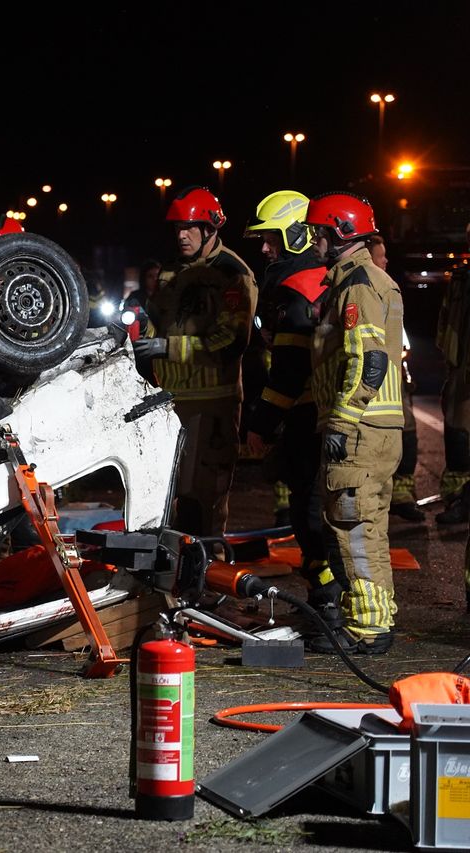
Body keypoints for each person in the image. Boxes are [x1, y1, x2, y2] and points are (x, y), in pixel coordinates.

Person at [305, 192, 404, 654]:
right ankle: (374, 621)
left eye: (320, 231)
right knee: (368, 528)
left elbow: (370, 360)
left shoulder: (358, 284)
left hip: (361, 430)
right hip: (377, 430)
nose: (314, 240)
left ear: (340, 231)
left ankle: (367, 629)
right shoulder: (357, 280)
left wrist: (341, 424)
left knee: (353, 528)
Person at [134, 186, 257, 537]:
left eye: (189, 227)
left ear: (210, 228)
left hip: (212, 405)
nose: (181, 235)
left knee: (204, 499)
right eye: (177, 228)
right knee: (170, 497)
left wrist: (168, 348)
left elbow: (232, 341)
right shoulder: (172, 269)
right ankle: (179, 578)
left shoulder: (232, 273)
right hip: (172, 403)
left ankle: (206, 579)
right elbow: (158, 319)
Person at [241, 191, 335, 612]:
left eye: (272, 239)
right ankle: (328, 598)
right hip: (317, 417)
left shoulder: (300, 288)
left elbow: (290, 370)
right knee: (314, 512)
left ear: (298, 235)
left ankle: (328, 602)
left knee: (312, 515)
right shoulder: (306, 282)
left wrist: (260, 423)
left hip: (310, 418)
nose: (265, 249)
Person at [367, 234, 425, 521]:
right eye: (381, 255)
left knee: (407, 432)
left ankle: (403, 494)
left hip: (394, 380)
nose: (386, 260)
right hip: (374, 381)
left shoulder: (388, 289)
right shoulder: (364, 290)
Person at [435, 222, 470, 527]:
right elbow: (447, 321)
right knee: (458, 437)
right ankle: (458, 499)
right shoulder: (461, 278)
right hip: (462, 368)